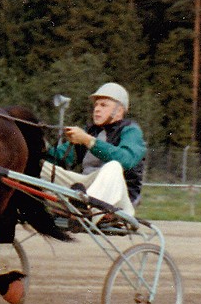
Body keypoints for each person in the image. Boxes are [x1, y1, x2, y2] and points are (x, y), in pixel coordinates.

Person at [42, 82, 146, 218]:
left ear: (119, 110)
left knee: (114, 166)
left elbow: (125, 160)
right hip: (86, 189)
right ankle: (76, 206)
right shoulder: (91, 131)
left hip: (119, 197)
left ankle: (82, 208)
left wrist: (88, 140)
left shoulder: (131, 130)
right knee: (41, 166)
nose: (97, 109)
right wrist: (40, 144)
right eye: (96, 105)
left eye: (103, 105)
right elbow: (59, 157)